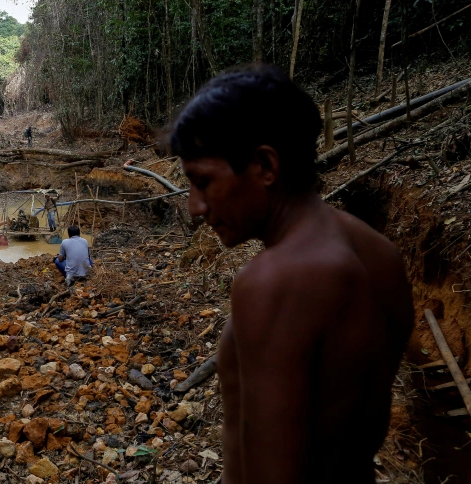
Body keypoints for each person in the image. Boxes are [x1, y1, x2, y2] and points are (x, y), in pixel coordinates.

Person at [170, 64, 413, 483]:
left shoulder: (276, 280)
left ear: (265, 165)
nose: (195, 206)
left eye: (203, 182)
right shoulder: (379, 254)